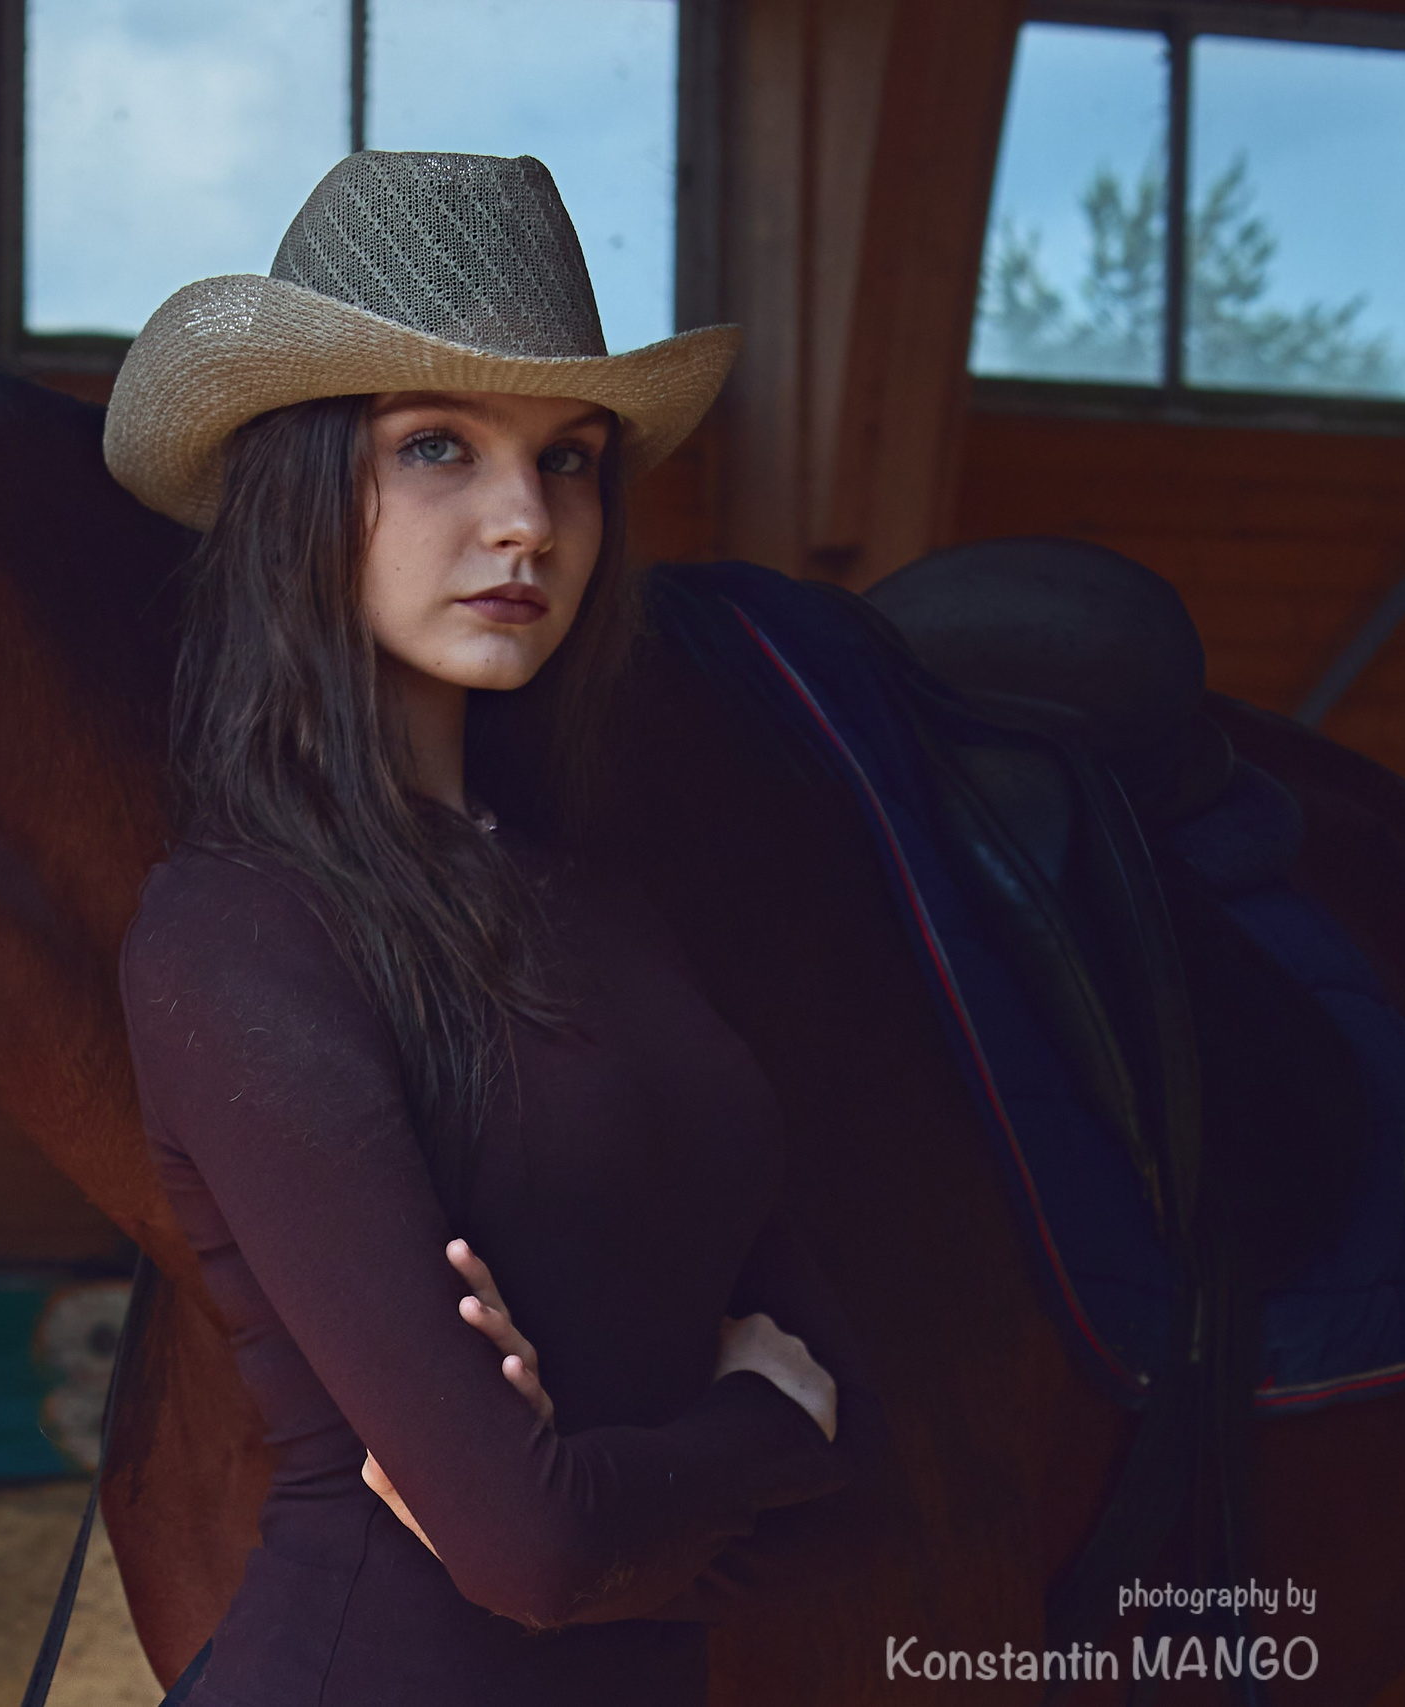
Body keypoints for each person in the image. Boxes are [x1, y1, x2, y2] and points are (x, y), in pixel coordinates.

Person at [102, 151, 891, 1705]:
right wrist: (753, 1432)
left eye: (573, 459)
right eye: (440, 449)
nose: (527, 521)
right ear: (297, 488)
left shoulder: (604, 903)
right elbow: (535, 1549)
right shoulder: (233, 937)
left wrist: (610, 1473)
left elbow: (848, 1436)